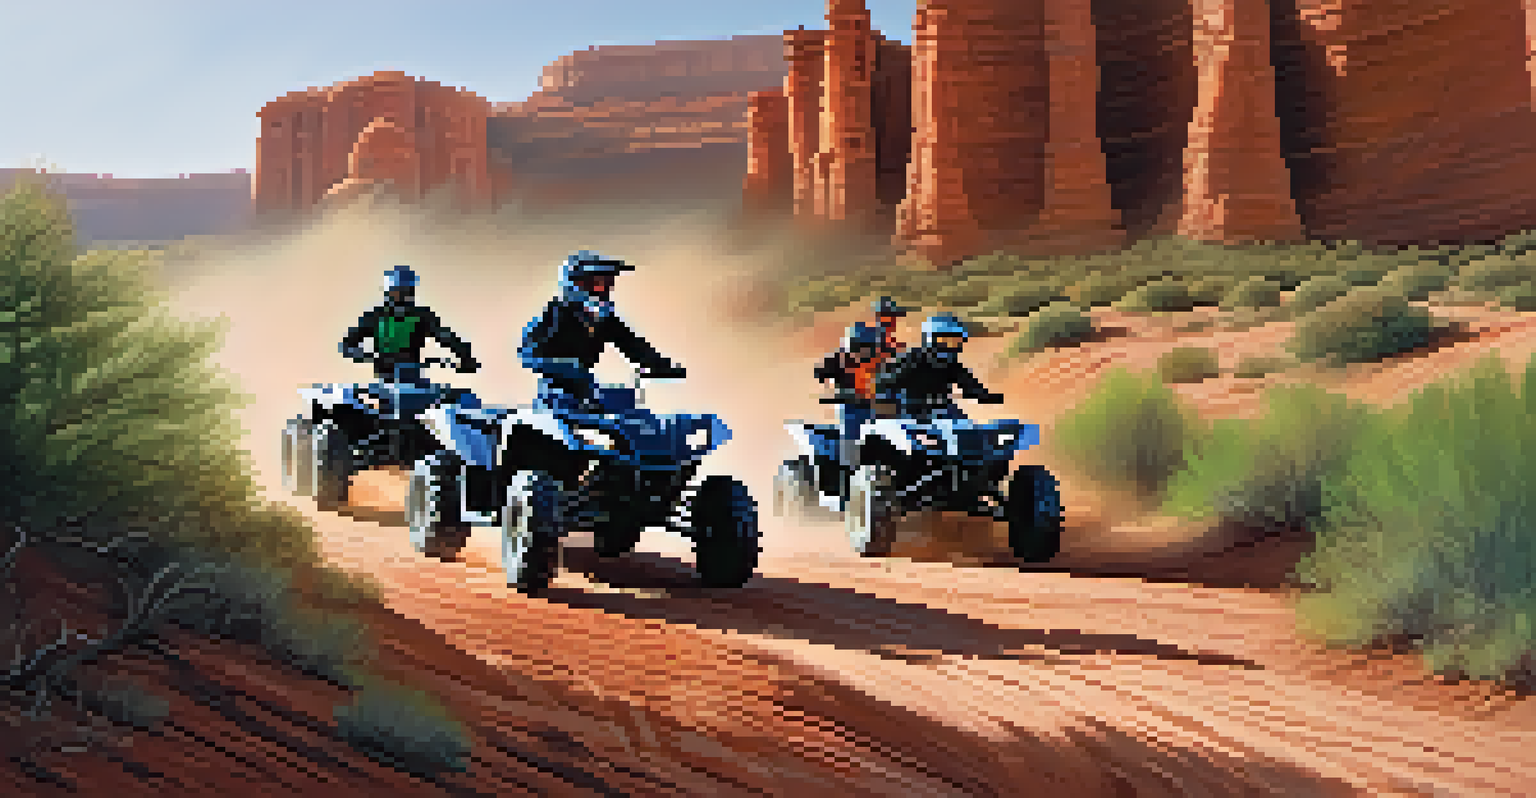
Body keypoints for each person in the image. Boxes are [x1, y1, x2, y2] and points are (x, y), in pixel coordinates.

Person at [518, 250, 685, 412]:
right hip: (555, 399)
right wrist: (565, 368)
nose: (602, 289)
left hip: (590, 395)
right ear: (575, 284)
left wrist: (660, 366)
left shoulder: (605, 319)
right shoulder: (556, 314)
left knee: (632, 414)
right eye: (594, 283)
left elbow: (634, 346)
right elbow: (526, 352)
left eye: (606, 283)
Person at [339, 265, 480, 384]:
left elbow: (447, 338)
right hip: (388, 383)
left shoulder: (418, 316)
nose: (403, 296)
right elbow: (347, 344)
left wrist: (465, 356)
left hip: (409, 380)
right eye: (400, 292)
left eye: (406, 292)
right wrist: (364, 354)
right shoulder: (377, 317)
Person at [873, 313, 1003, 421]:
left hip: (944, 411)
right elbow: (886, 381)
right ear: (930, 339)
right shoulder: (912, 359)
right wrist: (885, 401)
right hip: (909, 414)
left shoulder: (953, 365)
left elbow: (971, 387)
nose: (949, 346)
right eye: (944, 341)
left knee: (968, 433)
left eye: (954, 341)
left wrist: (993, 397)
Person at [814, 322, 886, 471]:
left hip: (877, 407)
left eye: (867, 349)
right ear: (849, 347)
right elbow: (821, 372)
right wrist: (831, 385)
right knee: (851, 434)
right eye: (858, 349)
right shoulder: (838, 360)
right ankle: (848, 472)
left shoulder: (881, 363)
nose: (862, 353)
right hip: (850, 406)